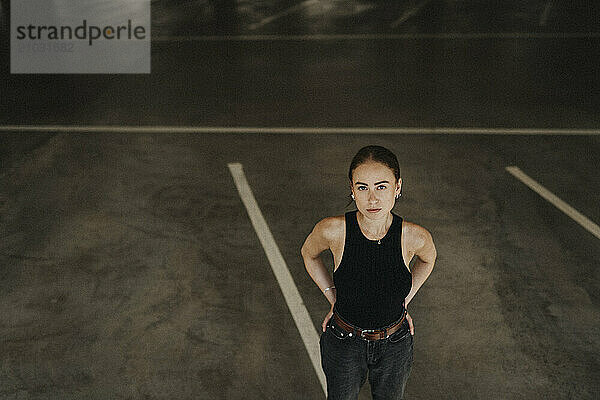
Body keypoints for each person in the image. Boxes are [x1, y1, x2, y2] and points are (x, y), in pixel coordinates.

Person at [301, 145, 437, 400]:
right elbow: (309, 254)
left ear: (398, 187)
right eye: (363, 187)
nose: (372, 199)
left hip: (395, 344)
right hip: (343, 343)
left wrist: (403, 301)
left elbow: (428, 261)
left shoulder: (414, 237)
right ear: (352, 190)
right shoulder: (333, 230)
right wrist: (333, 297)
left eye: (381, 186)